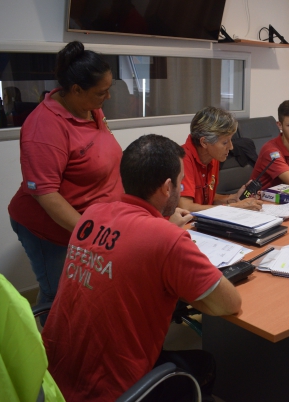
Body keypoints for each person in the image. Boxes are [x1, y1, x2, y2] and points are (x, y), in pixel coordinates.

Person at [42, 134, 242, 401]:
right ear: (167, 187)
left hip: (51, 377)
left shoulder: (92, 214)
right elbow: (229, 304)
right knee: (204, 364)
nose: (182, 189)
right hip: (109, 391)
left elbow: (128, 247)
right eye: (181, 182)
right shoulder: (167, 240)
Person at [8, 41, 123, 310]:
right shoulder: (44, 127)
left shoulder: (89, 108)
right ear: (76, 90)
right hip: (51, 229)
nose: (107, 98)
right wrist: (92, 235)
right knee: (59, 295)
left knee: (86, 289)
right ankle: (52, 351)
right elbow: (47, 195)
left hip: (91, 222)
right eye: (101, 92)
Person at [179, 106, 263, 212]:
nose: (231, 147)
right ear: (204, 142)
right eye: (225, 142)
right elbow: (186, 208)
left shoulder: (212, 157)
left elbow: (207, 198)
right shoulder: (182, 159)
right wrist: (235, 207)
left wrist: (233, 198)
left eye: (230, 140)